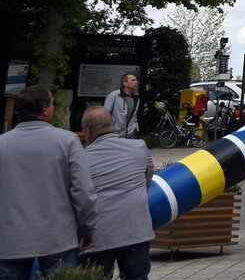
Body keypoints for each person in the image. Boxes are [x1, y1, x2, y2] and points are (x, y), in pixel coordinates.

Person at [0, 85, 97, 278]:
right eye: (52, 103)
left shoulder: (2, 143)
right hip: (57, 238)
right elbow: (83, 192)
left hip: (9, 239)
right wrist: (87, 227)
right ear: (45, 109)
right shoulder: (67, 141)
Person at [80, 106, 155, 280]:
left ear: (87, 132)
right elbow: (147, 180)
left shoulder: (80, 158)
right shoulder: (139, 147)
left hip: (97, 236)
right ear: (113, 124)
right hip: (135, 231)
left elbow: (77, 195)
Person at [103, 72, 141, 138]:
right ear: (125, 83)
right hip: (116, 134)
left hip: (131, 133)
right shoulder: (114, 95)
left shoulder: (136, 98)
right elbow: (105, 114)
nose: (136, 82)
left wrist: (135, 127)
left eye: (136, 80)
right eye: (133, 80)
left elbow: (134, 115)